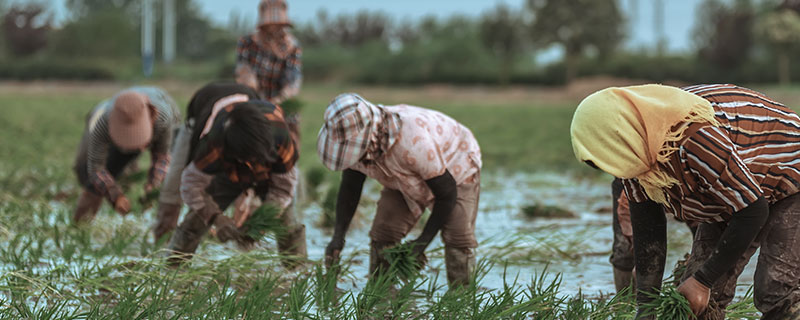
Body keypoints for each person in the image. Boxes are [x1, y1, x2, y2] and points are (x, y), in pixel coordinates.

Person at [571, 84, 800, 319]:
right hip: (735, 193)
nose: (617, 171)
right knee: (694, 301)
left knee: (774, 289)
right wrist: (646, 309)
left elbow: (753, 211)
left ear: (621, 138)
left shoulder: (692, 138)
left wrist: (703, 280)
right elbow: (649, 232)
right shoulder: (636, 160)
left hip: (791, 177)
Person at [318, 93, 482, 287]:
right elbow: (350, 188)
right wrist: (338, 237)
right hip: (400, 175)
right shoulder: (358, 148)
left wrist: (421, 243)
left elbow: (447, 193)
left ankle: (462, 295)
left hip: (455, 164)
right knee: (384, 231)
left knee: (457, 235)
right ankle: (381, 292)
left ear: (369, 136)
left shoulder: (414, 143)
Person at [164, 82, 306, 268]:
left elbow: (284, 188)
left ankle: (297, 272)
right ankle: (172, 270)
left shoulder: (280, 135)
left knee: (287, 223)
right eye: (246, 160)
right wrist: (216, 218)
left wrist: (263, 218)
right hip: (228, 174)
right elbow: (191, 186)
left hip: (270, 174)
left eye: (253, 160)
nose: (250, 165)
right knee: (194, 223)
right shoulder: (215, 142)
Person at [73, 87, 179, 223]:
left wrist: (153, 185)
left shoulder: (163, 118)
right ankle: (80, 225)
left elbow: (162, 157)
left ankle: (168, 228)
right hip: (112, 130)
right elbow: (96, 167)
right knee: (88, 178)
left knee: (173, 179)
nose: (138, 147)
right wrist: (115, 195)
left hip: (164, 123)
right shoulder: (103, 123)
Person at [235, 0, 301, 105]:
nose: (275, 28)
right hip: (252, 97)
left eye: (278, 24)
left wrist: (279, 100)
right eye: (271, 24)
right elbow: (244, 70)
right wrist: (256, 95)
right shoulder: (247, 42)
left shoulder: (292, 47)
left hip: (279, 100)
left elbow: (292, 79)